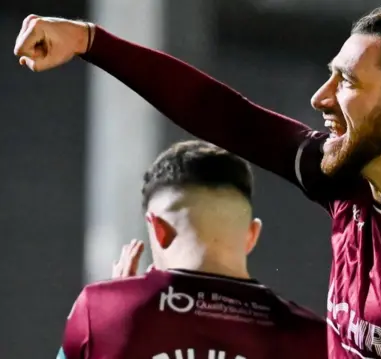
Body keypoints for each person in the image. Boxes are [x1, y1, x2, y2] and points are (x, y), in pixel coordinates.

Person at [16, 8, 381, 359]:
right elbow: (227, 117)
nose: (321, 97)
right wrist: (89, 40)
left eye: (348, 81)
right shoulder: (346, 183)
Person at [56, 140, 327, 359]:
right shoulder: (313, 336)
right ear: (251, 235)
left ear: (157, 229)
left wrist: (117, 312)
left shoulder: (100, 310)